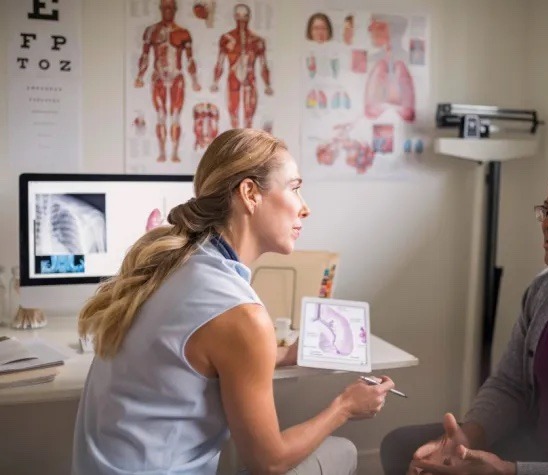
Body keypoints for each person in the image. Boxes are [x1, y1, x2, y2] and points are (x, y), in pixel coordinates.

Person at [71, 128, 394, 475]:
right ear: (250, 194)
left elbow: (195, 360)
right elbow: (269, 462)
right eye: (296, 188)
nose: (305, 208)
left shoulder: (171, 266)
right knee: (340, 451)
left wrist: (282, 354)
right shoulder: (239, 314)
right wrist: (345, 406)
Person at [380, 153, 548, 475]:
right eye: (546, 210)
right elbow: (510, 386)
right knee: (405, 448)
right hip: (540, 447)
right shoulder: (545, 290)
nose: (547, 222)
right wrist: (466, 437)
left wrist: (513, 471)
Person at [134, 0, 201, 163]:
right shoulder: (151, 31)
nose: (168, 11)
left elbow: (190, 59)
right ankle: (163, 152)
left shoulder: (183, 33)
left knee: (176, 116)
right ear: (161, 9)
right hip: (158, 78)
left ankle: (175, 153)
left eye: (171, 8)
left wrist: (194, 81)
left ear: (175, 9)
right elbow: (145, 56)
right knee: (161, 116)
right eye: (165, 8)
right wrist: (140, 76)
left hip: (177, 77)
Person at [210, 4, 273, 129]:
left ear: (249, 17)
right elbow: (220, 62)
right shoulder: (227, 39)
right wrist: (215, 82)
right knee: (233, 115)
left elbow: (263, 64)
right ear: (234, 17)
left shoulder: (257, 41)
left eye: (244, 17)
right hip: (233, 79)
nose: (242, 21)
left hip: (250, 80)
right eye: (238, 16)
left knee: (249, 117)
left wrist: (267, 85)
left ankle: (246, 145)